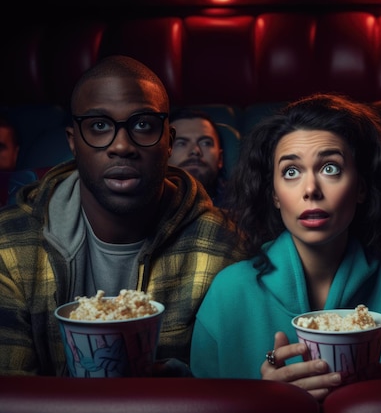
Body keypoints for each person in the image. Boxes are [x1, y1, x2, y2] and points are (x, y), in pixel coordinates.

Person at [190, 93, 381, 400]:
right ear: (274, 194)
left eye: (330, 168)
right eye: (291, 172)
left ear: (362, 187)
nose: (311, 189)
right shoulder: (229, 292)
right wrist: (264, 402)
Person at [0, 55, 244, 376]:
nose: (121, 146)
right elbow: (11, 391)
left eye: (143, 124)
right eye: (99, 126)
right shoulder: (10, 244)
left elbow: (230, 383)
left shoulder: (224, 245)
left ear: (168, 142)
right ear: (73, 142)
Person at [168, 107, 225, 206]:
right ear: (164, 155)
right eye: (181, 143)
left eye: (205, 143)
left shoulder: (245, 204)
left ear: (220, 158)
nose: (195, 150)